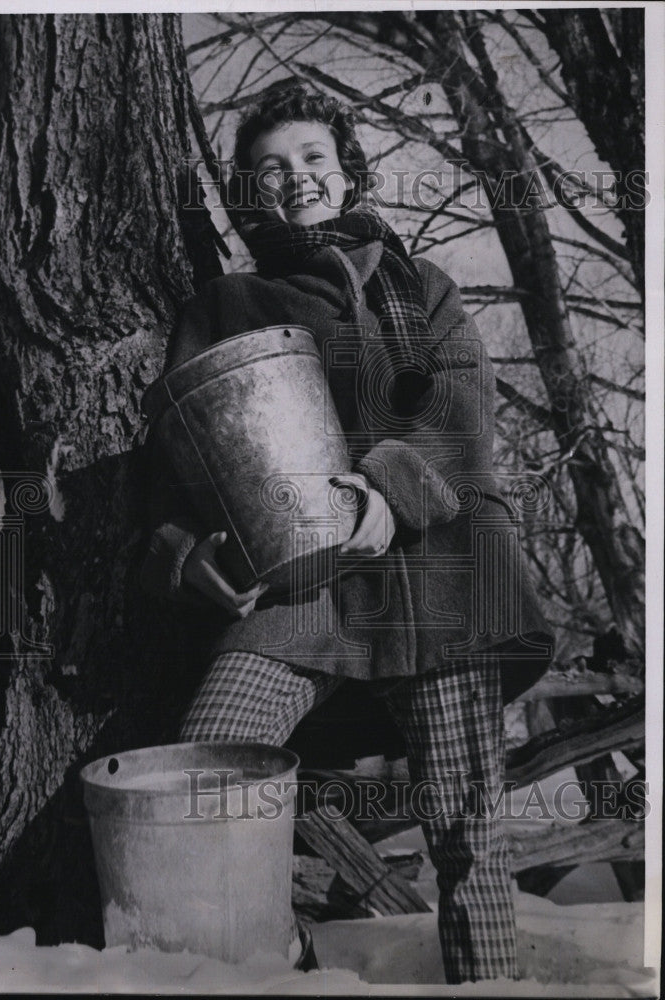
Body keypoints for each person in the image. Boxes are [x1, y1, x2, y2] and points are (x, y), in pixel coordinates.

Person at [140, 84, 554, 984]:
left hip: (444, 573)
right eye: (271, 169)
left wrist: (390, 491)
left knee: (465, 832)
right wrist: (189, 554)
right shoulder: (226, 302)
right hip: (302, 583)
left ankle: (487, 984)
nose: (297, 180)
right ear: (250, 192)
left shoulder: (424, 288)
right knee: (206, 779)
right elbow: (178, 458)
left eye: (315, 159)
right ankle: (269, 965)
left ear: (349, 168)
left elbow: (462, 419)